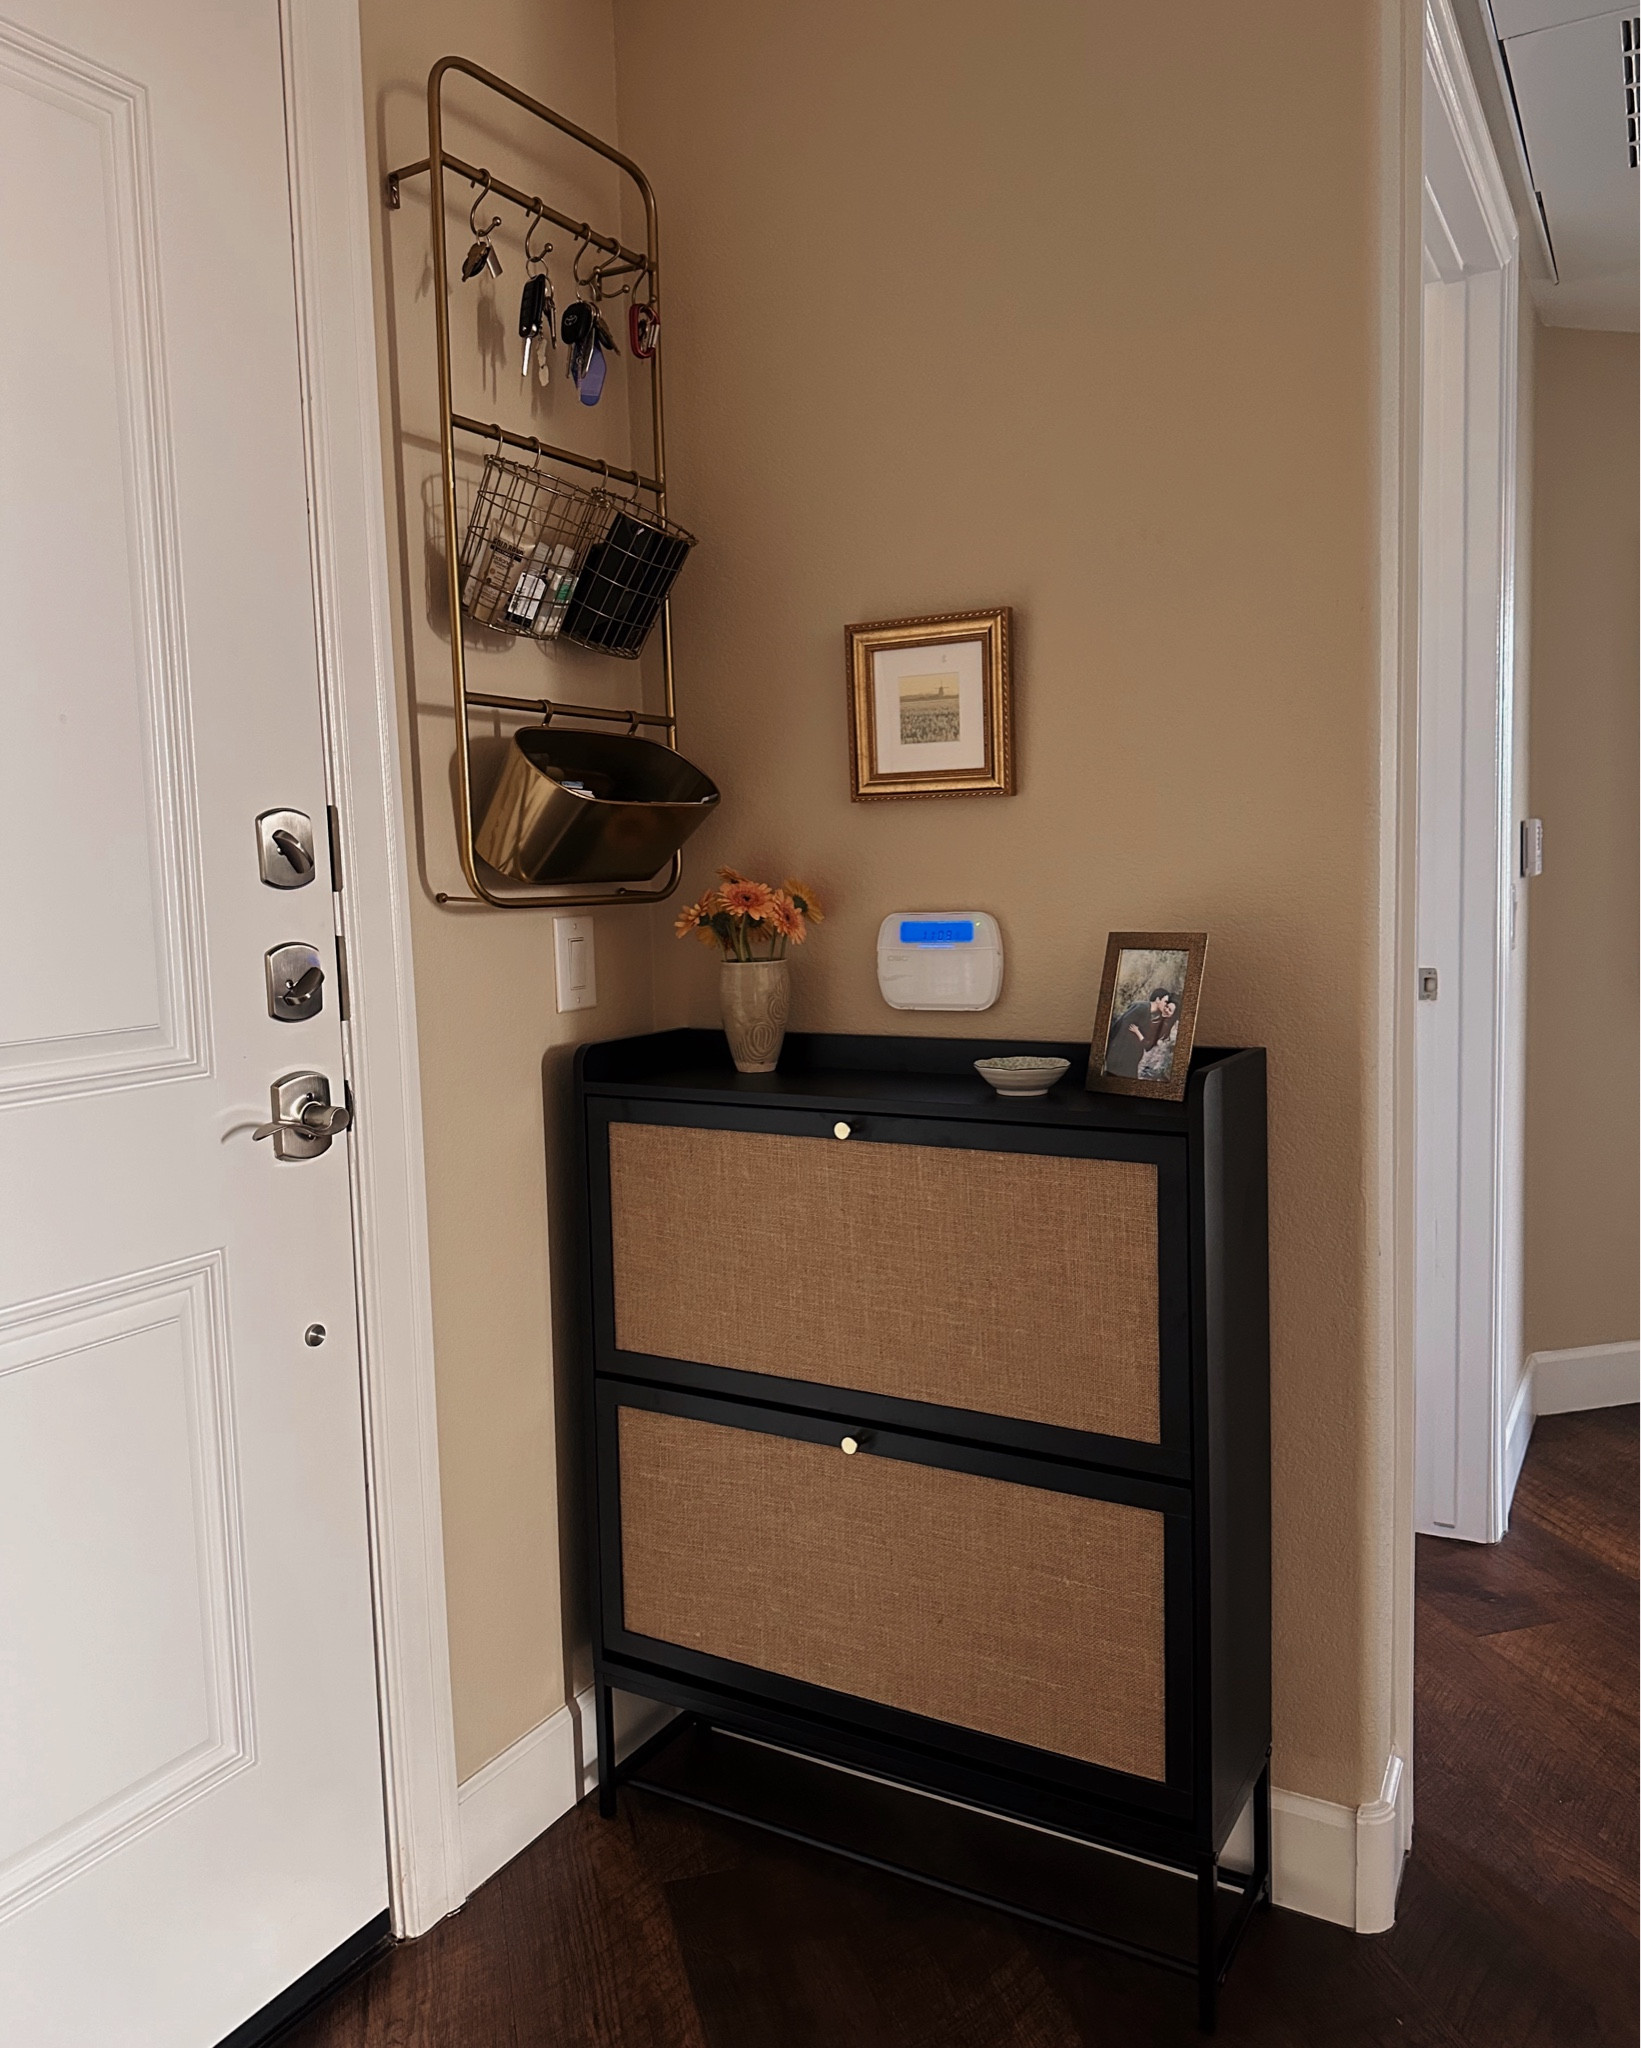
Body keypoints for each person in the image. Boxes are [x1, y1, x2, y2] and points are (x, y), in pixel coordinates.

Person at [1105, 987, 1178, 1078]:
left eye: (1169, 1008)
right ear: (1158, 999)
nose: (1166, 1006)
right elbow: (1122, 1026)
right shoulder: (1142, 1007)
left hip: (1128, 1059)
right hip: (1122, 1057)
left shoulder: (1150, 1015)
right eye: (1165, 1002)